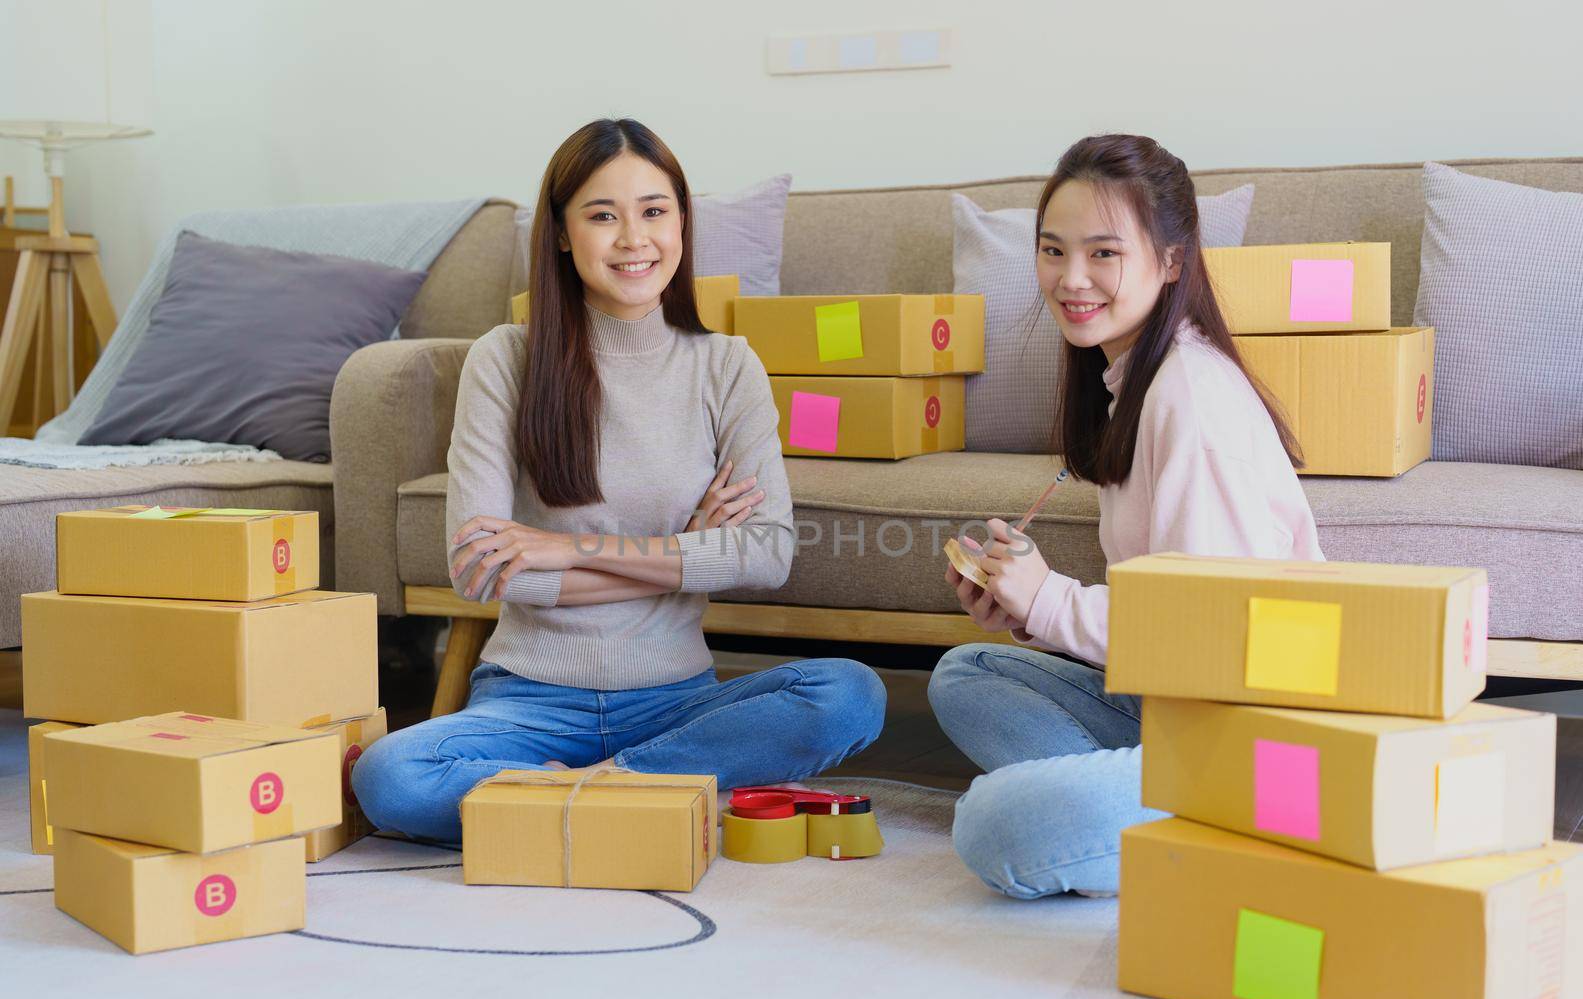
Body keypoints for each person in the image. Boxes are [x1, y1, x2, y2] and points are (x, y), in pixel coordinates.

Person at [353, 118, 885, 843]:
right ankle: (646, 797)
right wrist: (683, 556)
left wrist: (565, 550)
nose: (635, 239)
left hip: (677, 706)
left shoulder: (727, 366)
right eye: (603, 215)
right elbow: (479, 571)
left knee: (848, 694)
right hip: (528, 704)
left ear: (682, 223)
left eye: (654, 211)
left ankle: (579, 798)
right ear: (564, 234)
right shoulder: (505, 359)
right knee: (389, 775)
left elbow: (767, 553)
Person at [929, 134, 1323, 898]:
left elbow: (1211, 637)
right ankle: (1138, 810)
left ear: (1172, 260)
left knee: (992, 827)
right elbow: (1164, 627)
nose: (1071, 279)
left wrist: (1052, 599)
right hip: (1172, 709)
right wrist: (1026, 609)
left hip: (1245, 733)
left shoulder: (1192, 398)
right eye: (1052, 250)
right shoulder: (1129, 379)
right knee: (964, 674)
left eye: (1103, 254)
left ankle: (1204, 822)